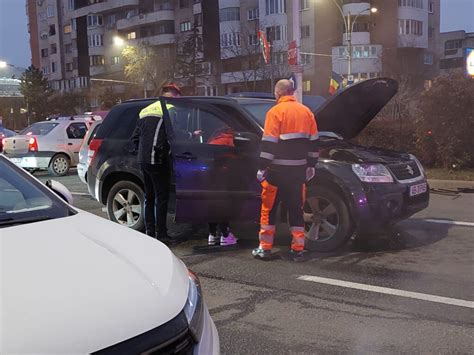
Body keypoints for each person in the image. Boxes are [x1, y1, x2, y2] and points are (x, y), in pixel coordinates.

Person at [252, 79, 319, 262]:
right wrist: (312, 164)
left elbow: (269, 144)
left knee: (269, 209)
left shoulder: (275, 112)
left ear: (278, 93)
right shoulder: (306, 112)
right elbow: (314, 142)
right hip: (298, 171)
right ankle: (298, 249)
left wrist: (261, 167)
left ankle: (265, 248)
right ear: (292, 93)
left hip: (276, 171)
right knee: (296, 209)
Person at [131, 83, 181, 243]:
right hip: (158, 159)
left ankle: (150, 232)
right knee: (162, 198)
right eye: (178, 96)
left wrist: (141, 152)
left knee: (149, 197)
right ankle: (162, 235)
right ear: (173, 94)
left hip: (143, 159)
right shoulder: (170, 109)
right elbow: (174, 134)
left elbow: (135, 137)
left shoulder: (146, 110)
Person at [206, 127, 238, 246]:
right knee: (225, 204)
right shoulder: (229, 140)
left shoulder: (212, 140)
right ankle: (225, 234)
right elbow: (236, 158)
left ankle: (212, 234)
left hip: (210, 177)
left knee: (212, 204)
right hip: (225, 176)